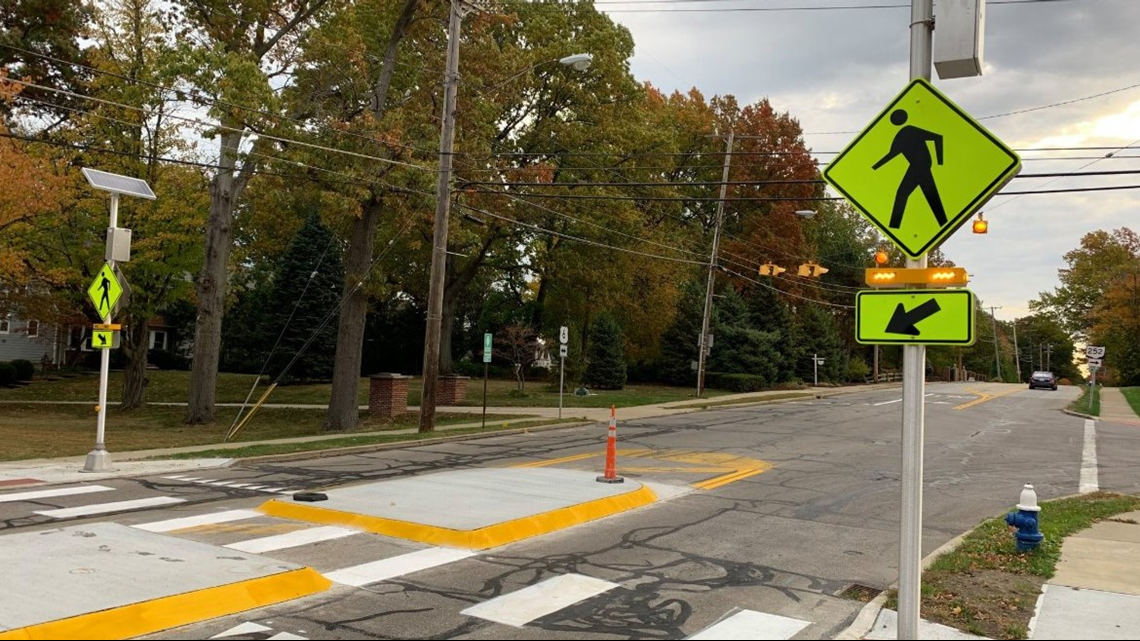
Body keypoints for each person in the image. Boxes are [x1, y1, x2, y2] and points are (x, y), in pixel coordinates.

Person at [872, 108, 947, 229]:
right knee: (930, 196)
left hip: (921, 166)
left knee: (904, 193)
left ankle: (895, 226)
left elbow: (938, 138)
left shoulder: (910, 131)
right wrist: (874, 167)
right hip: (919, 167)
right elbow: (891, 155)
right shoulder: (901, 136)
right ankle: (942, 222)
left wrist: (940, 162)